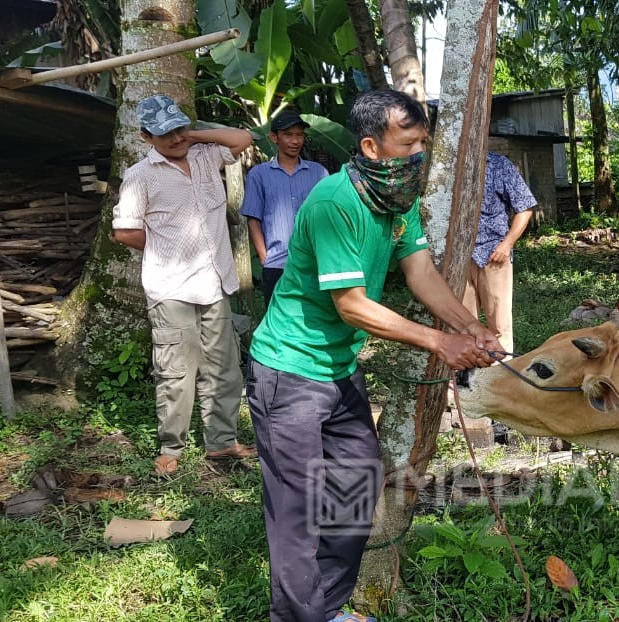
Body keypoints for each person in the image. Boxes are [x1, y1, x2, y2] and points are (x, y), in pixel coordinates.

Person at [246, 89, 500, 622]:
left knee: (357, 491)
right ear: (371, 145)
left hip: (340, 371)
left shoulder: (396, 202)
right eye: (408, 143)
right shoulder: (335, 203)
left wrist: (471, 327)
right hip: (289, 371)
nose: (418, 153)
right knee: (298, 513)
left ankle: (330, 608)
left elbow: (422, 273)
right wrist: (440, 342)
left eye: (423, 142)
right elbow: (352, 306)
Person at [111, 94, 258, 476]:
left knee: (224, 367)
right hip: (171, 286)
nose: (175, 139)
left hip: (215, 281)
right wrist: (167, 246)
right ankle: (171, 447)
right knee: (176, 370)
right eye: (165, 134)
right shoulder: (140, 176)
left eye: (179, 129)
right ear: (146, 137)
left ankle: (222, 443)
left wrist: (192, 134)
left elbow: (243, 139)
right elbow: (126, 231)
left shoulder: (205, 155)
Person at [241, 110, 328, 304]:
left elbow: (327, 215)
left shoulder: (319, 173)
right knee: (277, 325)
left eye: (299, 135)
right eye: (288, 135)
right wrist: (265, 259)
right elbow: (253, 219)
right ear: (274, 137)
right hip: (276, 264)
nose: (295, 141)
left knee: (314, 321)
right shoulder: (259, 174)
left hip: (314, 263)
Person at [464, 152, 536, 354]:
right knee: (463, 325)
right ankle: (467, 378)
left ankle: (501, 376)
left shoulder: (499, 164)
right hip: (459, 258)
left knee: (500, 326)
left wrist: (507, 245)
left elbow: (525, 207)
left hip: (493, 254)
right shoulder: (449, 164)